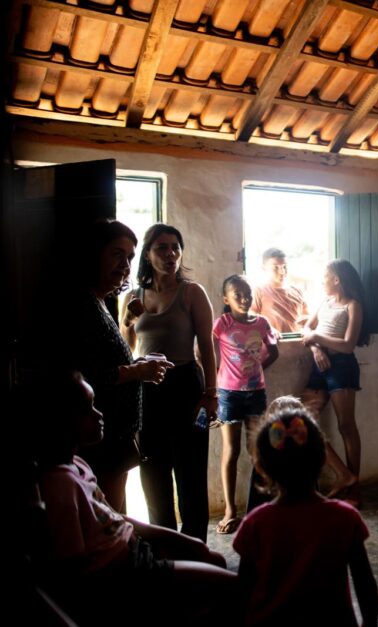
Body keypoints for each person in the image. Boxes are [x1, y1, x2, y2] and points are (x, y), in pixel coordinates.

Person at [34, 369, 236, 626]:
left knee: (213, 559)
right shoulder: (60, 485)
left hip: (137, 553)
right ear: (61, 422)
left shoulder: (78, 464)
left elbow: (115, 519)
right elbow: (74, 573)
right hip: (132, 573)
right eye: (86, 410)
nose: (99, 415)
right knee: (232, 586)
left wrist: (178, 538)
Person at [233, 404, 378, 627]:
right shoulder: (344, 518)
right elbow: (365, 585)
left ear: (261, 468)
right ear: (322, 459)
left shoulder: (256, 524)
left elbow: (243, 592)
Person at [121, 223, 218, 541]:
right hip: (147, 391)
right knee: (153, 474)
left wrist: (211, 395)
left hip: (186, 386)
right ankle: (165, 551)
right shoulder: (133, 297)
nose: (170, 253)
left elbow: (207, 346)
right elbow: (128, 349)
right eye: (162, 247)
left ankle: (195, 549)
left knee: (190, 476)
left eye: (175, 247)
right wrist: (128, 321)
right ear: (148, 255)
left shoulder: (192, 293)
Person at [75, 219, 172, 513]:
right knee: (110, 522)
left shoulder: (100, 302)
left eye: (129, 257)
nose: (125, 265)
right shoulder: (81, 305)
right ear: (94, 253)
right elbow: (86, 375)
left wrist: (137, 363)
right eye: (117, 254)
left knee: (117, 514)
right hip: (101, 440)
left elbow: (108, 361)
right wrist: (137, 371)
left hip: (116, 438)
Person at [212, 275, 279, 534]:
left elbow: (273, 351)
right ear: (226, 299)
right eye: (237, 295)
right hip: (228, 395)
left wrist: (256, 370)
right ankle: (230, 510)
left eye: (248, 294)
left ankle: (259, 509)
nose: (244, 299)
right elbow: (203, 350)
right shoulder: (222, 323)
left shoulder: (262, 323)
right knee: (231, 451)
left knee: (257, 451)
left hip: (256, 394)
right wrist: (219, 374)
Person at [300, 259, 369, 504]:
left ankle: (354, 490)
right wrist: (316, 349)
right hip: (320, 366)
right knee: (304, 420)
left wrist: (317, 336)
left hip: (342, 367)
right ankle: (343, 474)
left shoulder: (353, 305)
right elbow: (307, 331)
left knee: (346, 426)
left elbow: (348, 345)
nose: (321, 281)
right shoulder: (325, 302)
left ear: (337, 280)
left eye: (325, 277)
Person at [250, 247, 310, 334]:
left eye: (284, 267)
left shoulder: (297, 291)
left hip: (297, 341)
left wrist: (306, 327)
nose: (282, 271)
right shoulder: (259, 291)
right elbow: (251, 315)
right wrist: (268, 329)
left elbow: (307, 317)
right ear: (264, 268)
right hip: (273, 342)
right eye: (276, 268)